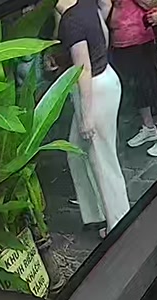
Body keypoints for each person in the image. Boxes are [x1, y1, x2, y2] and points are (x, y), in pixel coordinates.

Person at [55, 0, 131, 235]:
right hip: (106, 77)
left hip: (93, 89)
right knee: (75, 151)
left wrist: (87, 116)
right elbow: (105, 16)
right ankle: (96, 214)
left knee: (103, 159)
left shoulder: (71, 20)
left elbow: (84, 69)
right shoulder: (86, 4)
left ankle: (119, 224)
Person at [111, 0, 157, 157]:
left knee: (151, 84)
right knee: (136, 86)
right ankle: (149, 128)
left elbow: (151, 3)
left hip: (140, 37)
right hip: (120, 40)